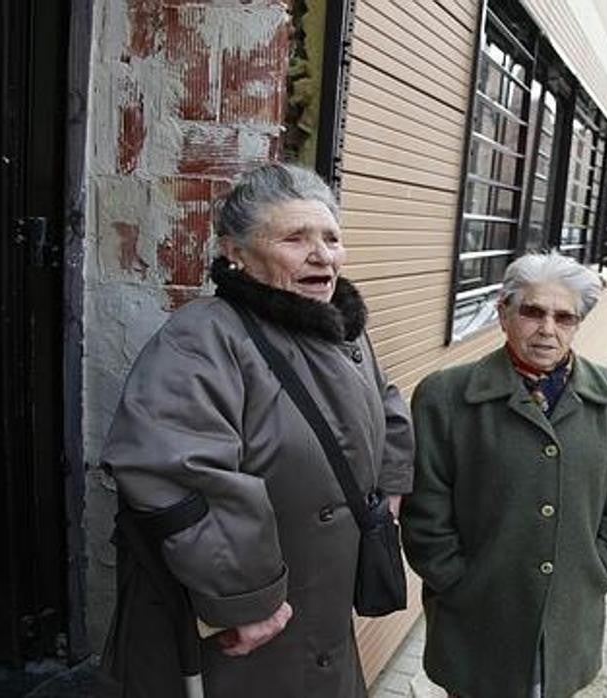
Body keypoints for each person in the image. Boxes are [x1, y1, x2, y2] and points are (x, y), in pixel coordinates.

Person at [101, 163, 414, 698]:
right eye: (296, 238)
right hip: (240, 627)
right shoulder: (203, 336)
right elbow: (173, 472)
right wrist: (245, 602)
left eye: (332, 238)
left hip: (321, 606)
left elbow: (386, 407)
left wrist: (389, 489)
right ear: (235, 252)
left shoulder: (340, 330)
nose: (322, 255)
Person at [401, 252, 607, 698]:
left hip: (569, 613)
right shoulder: (445, 396)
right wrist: (459, 581)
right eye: (533, 312)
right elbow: (425, 510)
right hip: (478, 616)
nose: (547, 329)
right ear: (503, 313)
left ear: (579, 323)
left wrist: (600, 564)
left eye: (564, 317)